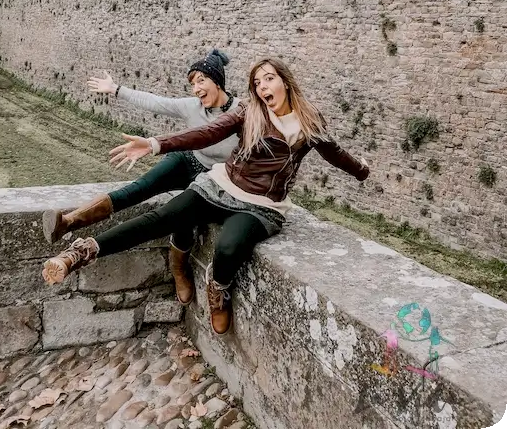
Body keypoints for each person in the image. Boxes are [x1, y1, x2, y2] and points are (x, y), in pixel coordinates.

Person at [42, 58, 370, 336]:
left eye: (269, 79)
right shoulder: (248, 111)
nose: (263, 87)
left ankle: (218, 289)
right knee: (159, 219)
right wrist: (156, 143)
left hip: (263, 205)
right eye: (257, 83)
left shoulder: (309, 121)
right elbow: (208, 132)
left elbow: (336, 154)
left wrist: (361, 170)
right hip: (220, 186)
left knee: (229, 247)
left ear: (285, 82)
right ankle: (79, 253)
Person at [42, 48, 240, 306]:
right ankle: (68, 222)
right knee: (141, 187)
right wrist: (115, 89)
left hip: (214, 179)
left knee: (180, 220)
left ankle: (179, 269)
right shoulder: (191, 106)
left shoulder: (241, 112)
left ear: (217, 80)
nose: (195, 89)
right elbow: (156, 102)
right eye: (192, 83)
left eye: (201, 81)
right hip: (187, 160)